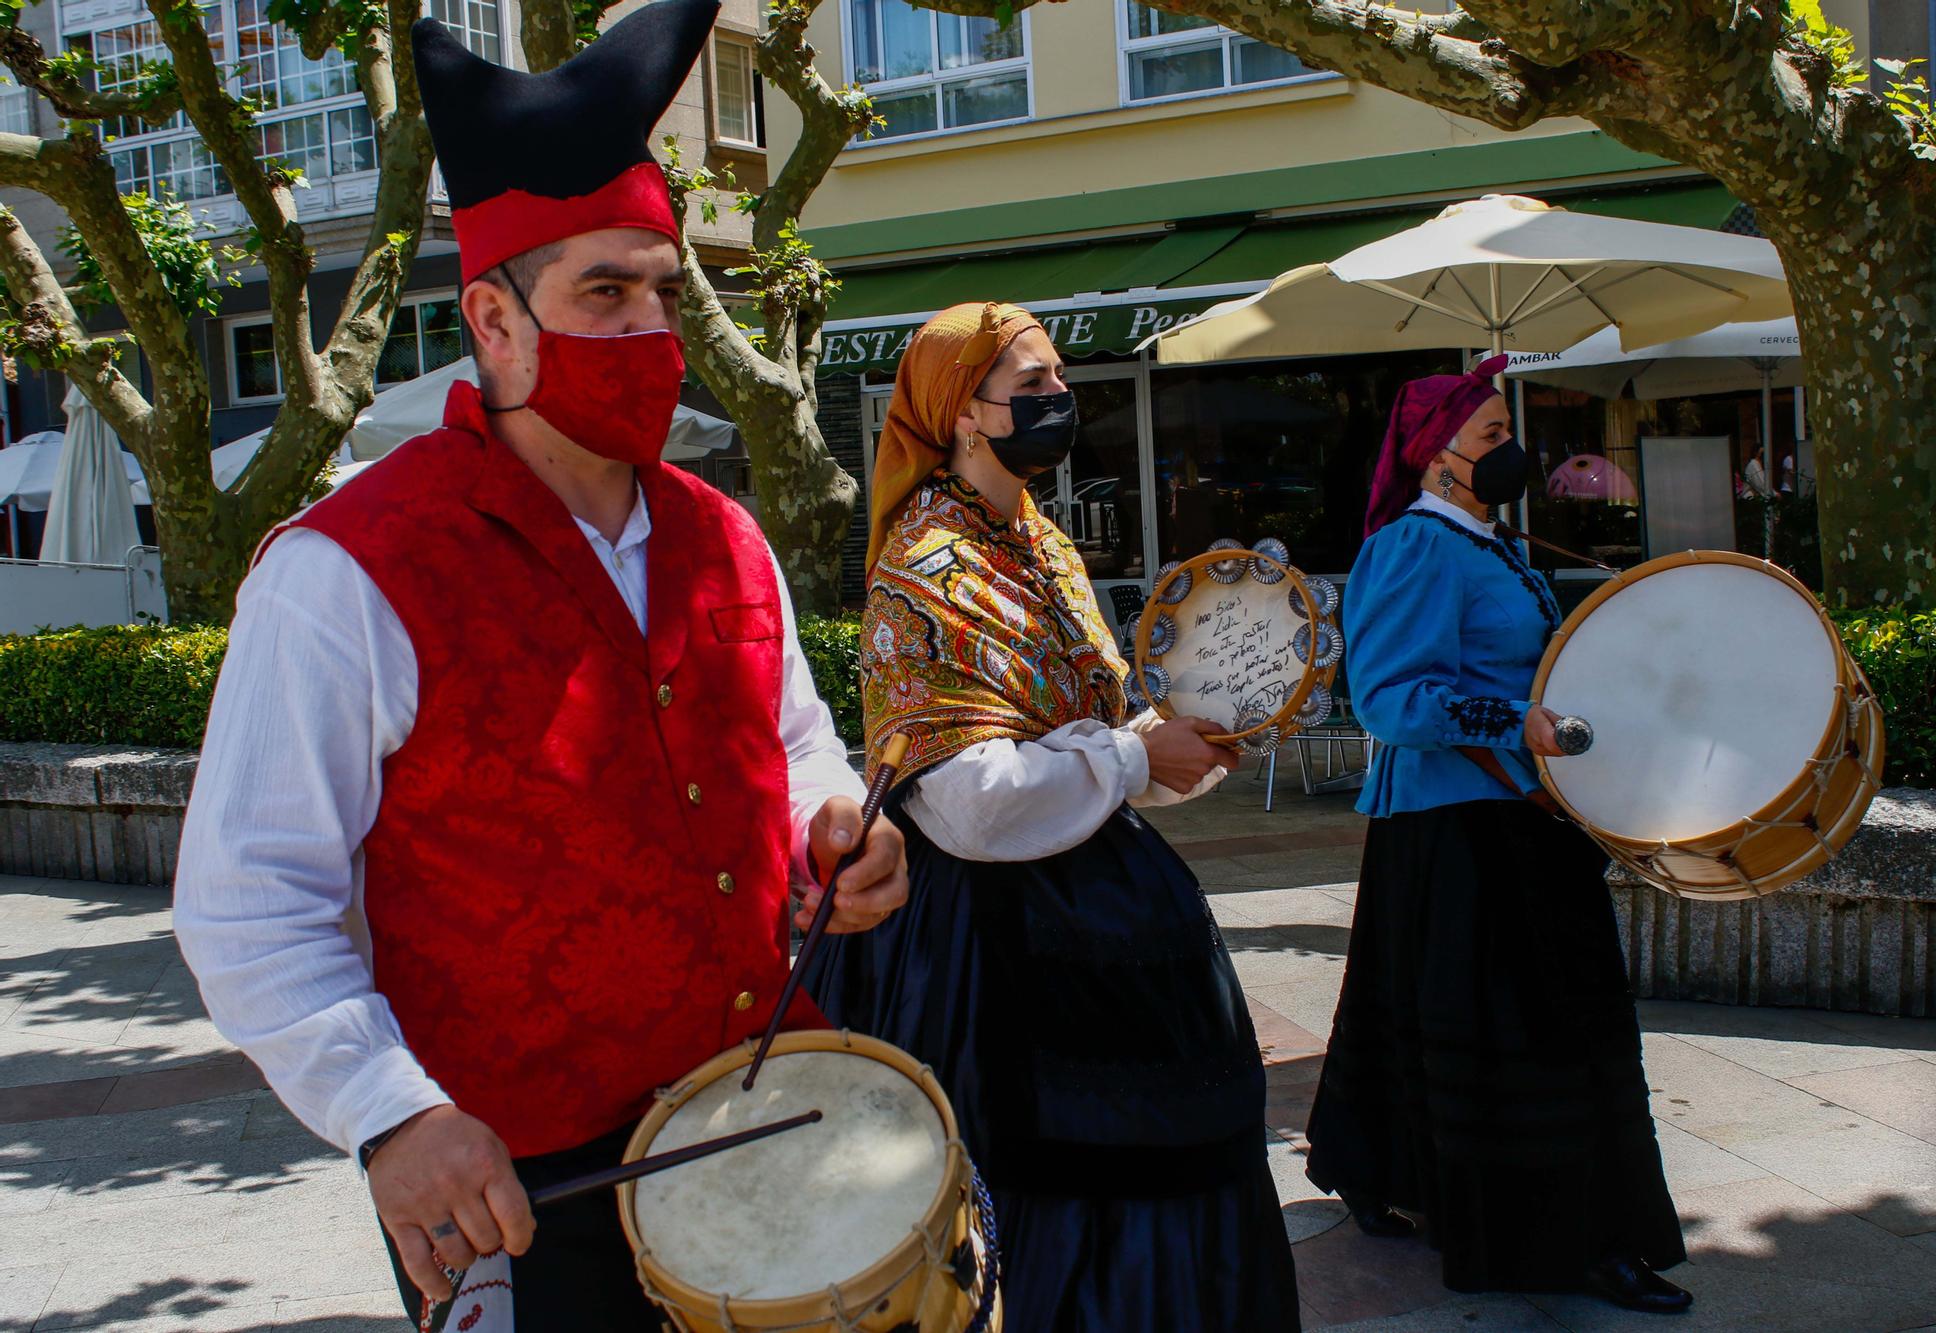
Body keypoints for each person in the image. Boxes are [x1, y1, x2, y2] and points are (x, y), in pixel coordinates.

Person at [173, 5, 906, 1328]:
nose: (649, 329)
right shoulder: (348, 571)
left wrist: (830, 820)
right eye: (604, 294)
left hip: (760, 1118)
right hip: (517, 1184)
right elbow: (249, 897)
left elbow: (793, 741)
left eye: (666, 290)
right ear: (494, 322)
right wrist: (391, 1115)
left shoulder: (724, 537)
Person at [800, 302, 1301, 1332]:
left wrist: (1184, 741)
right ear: (963, 414)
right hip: (992, 952)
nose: (1055, 400)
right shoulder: (925, 567)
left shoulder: (1040, 542)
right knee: (1041, 1204)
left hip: (1099, 909)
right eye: (1026, 386)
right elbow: (967, 807)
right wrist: (1127, 755)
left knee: (1176, 1163)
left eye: (1058, 379)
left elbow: (1102, 734)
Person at [1304, 355, 1691, 1314]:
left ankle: (1384, 1168)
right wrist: (1512, 721)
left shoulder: (1490, 543)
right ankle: (1580, 1239)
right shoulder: (1417, 547)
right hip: (1463, 830)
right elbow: (1390, 701)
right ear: (1437, 458)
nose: (1510, 449)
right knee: (1548, 1031)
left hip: (1498, 822)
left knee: (1434, 1017)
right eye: (1489, 436)